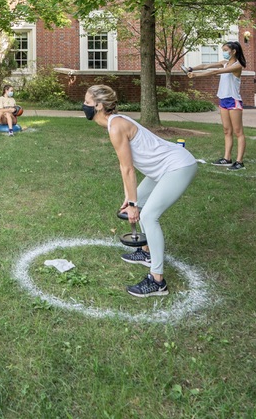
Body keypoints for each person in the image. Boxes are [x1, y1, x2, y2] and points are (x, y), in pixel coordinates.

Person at [83, 84, 198, 298]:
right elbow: (123, 165)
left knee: (148, 215)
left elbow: (128, 168)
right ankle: (146, 253)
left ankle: (157, 281)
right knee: (139, 202)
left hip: (177, 167)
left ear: (99, 106)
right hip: (162, 170)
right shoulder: (114, 122)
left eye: (88, 102)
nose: (84, 106)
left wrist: (134, 205)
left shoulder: (116, 126)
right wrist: (130, 197)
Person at [186, 41, 247, 170]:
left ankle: (239, 162)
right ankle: (227, 159)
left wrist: (196, 76)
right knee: (226, 130)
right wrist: (191, 68)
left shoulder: (237, 66)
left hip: (233, 100)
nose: (224, 52)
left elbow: (215, 72)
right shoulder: (224, 62)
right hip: (223, 100)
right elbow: (205, 66)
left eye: (225, 50)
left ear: (233, 51)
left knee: (238, 132)